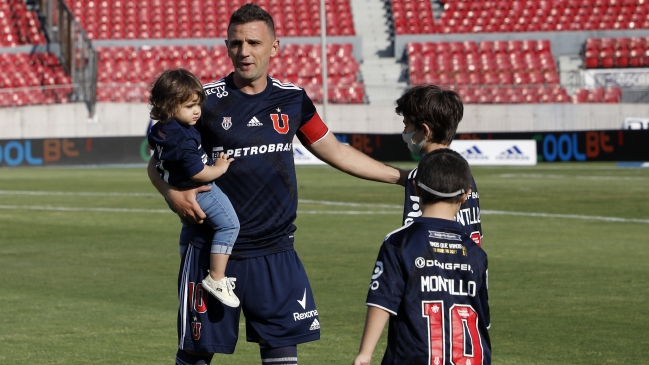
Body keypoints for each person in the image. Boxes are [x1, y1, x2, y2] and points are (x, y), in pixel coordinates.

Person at [146, 4, 407, 365]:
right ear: (226, 46)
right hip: (212, 251)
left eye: (254, 42)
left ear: (275, 46)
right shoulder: (202, 102)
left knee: (282, 356)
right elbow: (156, 161)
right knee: (195, 355)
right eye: (236, 43)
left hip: (276, 250)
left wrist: (403, 177)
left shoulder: (292, 99)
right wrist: (171, 193)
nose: (244, 52)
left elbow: (334, 150)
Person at [352, 148, 491, 365]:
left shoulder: (400, 243)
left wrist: (365, 353)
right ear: (466, 195)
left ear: (415, 189)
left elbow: (383, 301)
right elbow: (482, 319)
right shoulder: (476, 253)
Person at [147, 68, 240, 308]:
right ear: (169, 105)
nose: (197, 111)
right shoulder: (184, 137)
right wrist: (219, 168)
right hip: (200, 190)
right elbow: (197, 171)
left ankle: (184, 257)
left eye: (198, 104)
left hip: (175, 189)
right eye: (189, 106)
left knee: (188, 225)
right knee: (230, 225)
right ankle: (217, 278)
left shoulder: (159, 129)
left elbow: (155, 160)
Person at [397, 85, 483, 246]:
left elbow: (417, 244)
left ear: (424, 130)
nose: (404, 131)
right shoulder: (463, 172)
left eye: (406, 124)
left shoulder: (425, 175)